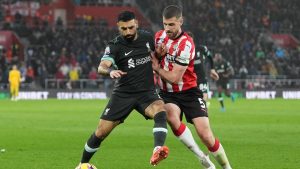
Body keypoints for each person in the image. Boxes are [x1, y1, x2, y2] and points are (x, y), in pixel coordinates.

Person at [76, 11, 169, 168]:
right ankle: (82, 164)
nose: (127, 32)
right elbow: (101, 67)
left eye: (131, 28)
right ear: (118, 27)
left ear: (137, 24)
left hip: (146, 92)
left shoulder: (147, 38)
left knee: (161, 110)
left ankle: (157, 149)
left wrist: (159, 55)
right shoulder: (115, 45)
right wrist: (110, 71)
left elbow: (154, 58)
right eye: (123, 29)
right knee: (101, 132)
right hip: (123, 94)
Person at [152, 5, 232, 169]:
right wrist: (157, 56)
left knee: (205, 135)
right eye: (165, 24)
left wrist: (157, 68)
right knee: (172, 118)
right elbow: (152, 57)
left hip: (189, 92)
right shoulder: (158, 37)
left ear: (180, 21)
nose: (167, 29)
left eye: (172, 25)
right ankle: (203, 159)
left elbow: (175, 78)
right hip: (167, 94)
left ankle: (227, 168)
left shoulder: (186, 44)